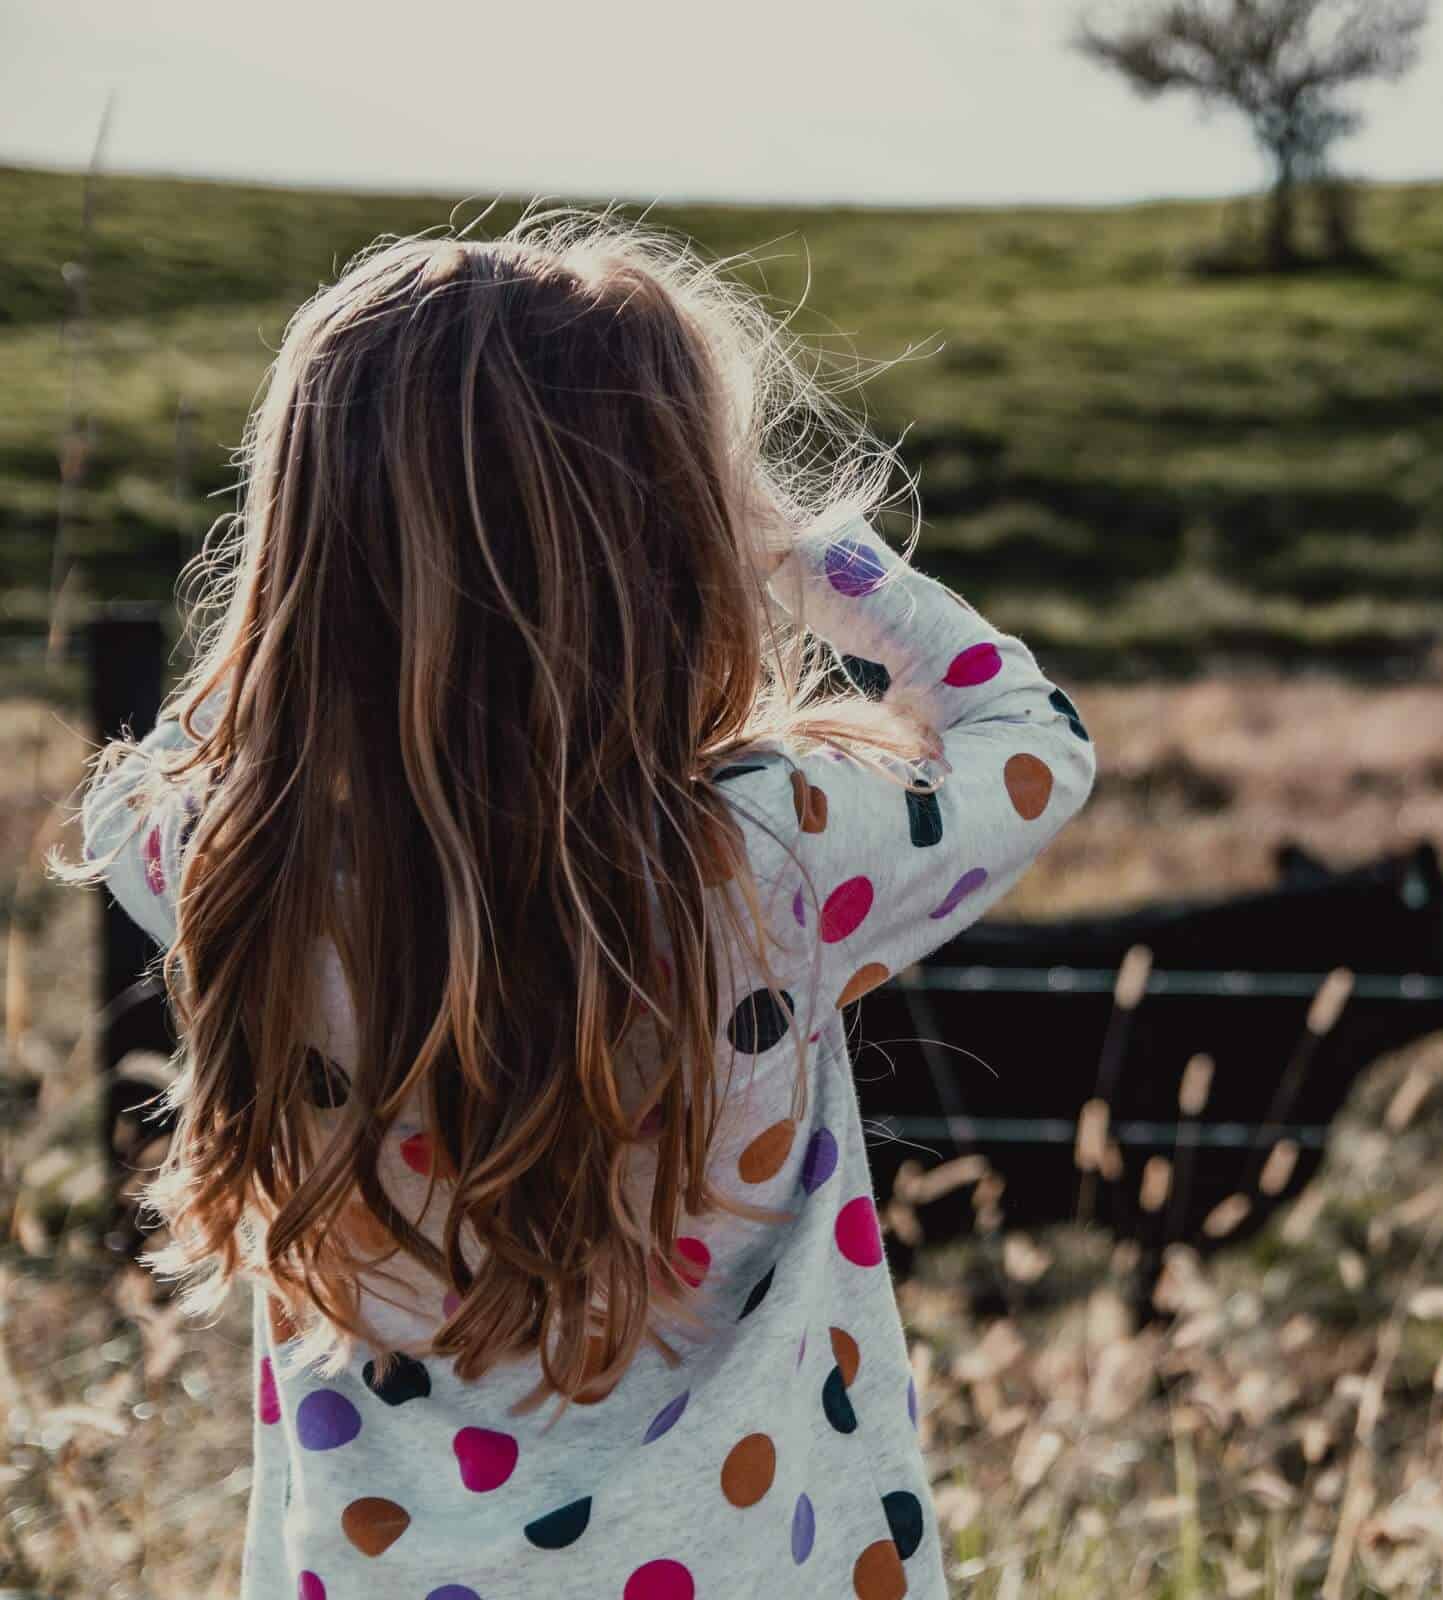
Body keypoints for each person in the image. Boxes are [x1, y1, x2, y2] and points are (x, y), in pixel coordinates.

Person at [53, 211, 1096, 1600]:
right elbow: (1030, 738)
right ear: (682, 547)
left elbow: (157, 774)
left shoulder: (227, 863)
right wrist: (799, 547)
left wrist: (304, 625)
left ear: (303, 558)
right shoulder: (768, 855)